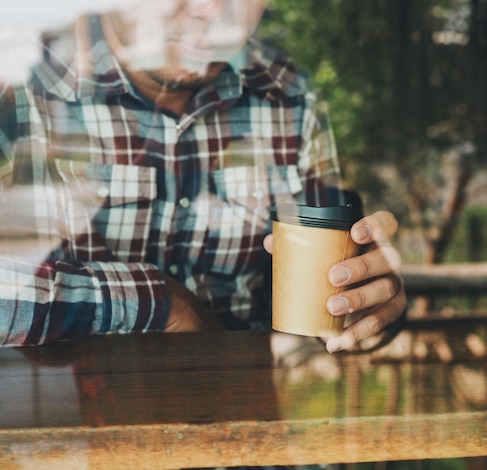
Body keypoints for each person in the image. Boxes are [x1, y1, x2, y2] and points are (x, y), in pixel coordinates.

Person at [0, 0, 406, 353]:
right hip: (54, 435)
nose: (211, 8)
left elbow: (324, 308)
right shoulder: (16, 82)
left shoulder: (292, 99)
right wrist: (158, 303)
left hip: (240, 429)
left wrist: (361, 308)